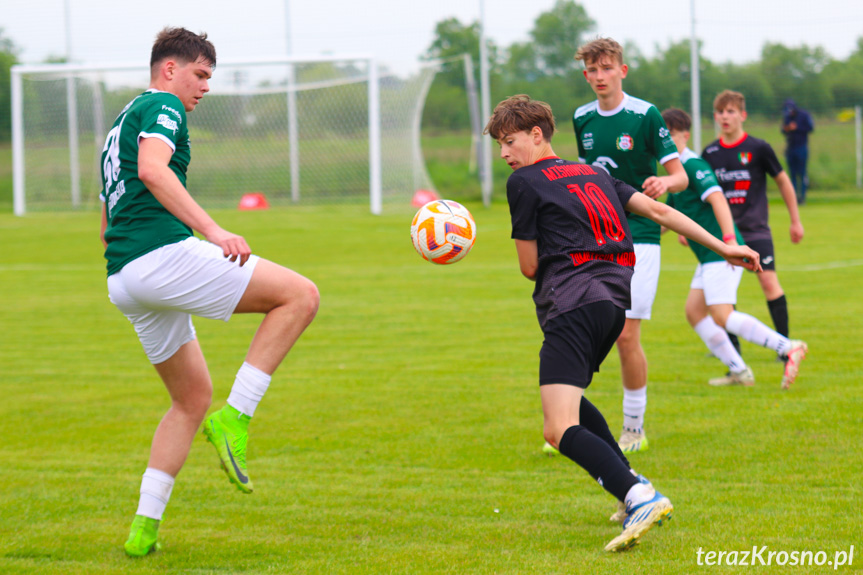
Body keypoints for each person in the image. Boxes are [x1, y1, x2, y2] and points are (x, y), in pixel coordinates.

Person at [484, 94, 761, 552]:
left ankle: (639, 496)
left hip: (572, 302)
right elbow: (659, 211)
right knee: (572, 400)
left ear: (537, 135)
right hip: (614, 300)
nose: (504, 154)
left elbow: (530, 266)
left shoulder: (524, 183)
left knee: (557, 427)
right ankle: (627, 483)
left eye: (509, 142)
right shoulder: (594, 172)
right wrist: (724, 245)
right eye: (499, 146)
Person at [99, 27, 320, 557]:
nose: (205, 87)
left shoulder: (119, 123)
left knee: (189, 399)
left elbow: (109, 213)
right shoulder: (163, 107)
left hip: (124, 277)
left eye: (209, 78)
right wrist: (214, 232)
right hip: (160, 257)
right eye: (200, 74)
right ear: (169, 69)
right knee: (300, 296)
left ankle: (143, 529)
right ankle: (237, 416)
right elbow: (153, 170)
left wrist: (127, 263)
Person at [567, 37, 689, 454]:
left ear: (622, 70)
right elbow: (585, 177)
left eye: (607, 68)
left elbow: (679, 176)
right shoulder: (581, 118)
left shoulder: (644, 115)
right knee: (580, 330)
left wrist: (664, 183)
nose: (599, 76)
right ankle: (566, 421)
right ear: (586, 75)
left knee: (625, 335)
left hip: (641, 235)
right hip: (596, 236)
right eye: (592, 70)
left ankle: (634, 426)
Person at [661, 108, 808, 388]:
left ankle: (788, 347)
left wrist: (730, 242)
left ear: (685, 136)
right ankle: (739, 371)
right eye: (662, 137)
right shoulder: (676, 172)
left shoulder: (693, 164)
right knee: (694, 312)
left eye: (672, 136)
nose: (667, 142)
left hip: (721, 253)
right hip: (708, 256)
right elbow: (668, 215)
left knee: (721, 315)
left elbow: (718, 200)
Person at [702, 90, 804, 368]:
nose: (725, 117)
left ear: (742, 115)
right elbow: (702, 194)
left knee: (769, 282)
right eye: (720, 112)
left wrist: (795, 220)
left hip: (756, 230)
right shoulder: (709, 153)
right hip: (726, 234)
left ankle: (784, 346)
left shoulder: (759, 148)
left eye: (731, 111)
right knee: (722, 295)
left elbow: (783, 181)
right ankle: (734, 354)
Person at [781, 99, 814, 204]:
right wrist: (787, 128)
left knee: (802, 173)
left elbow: (811, 128)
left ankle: (802, 198)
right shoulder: (787, 117)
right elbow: (782, 130)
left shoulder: (804, 115)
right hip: (790, 148)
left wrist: (797, 127)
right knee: (792, 174)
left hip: (802, 148)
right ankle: (794, 198)